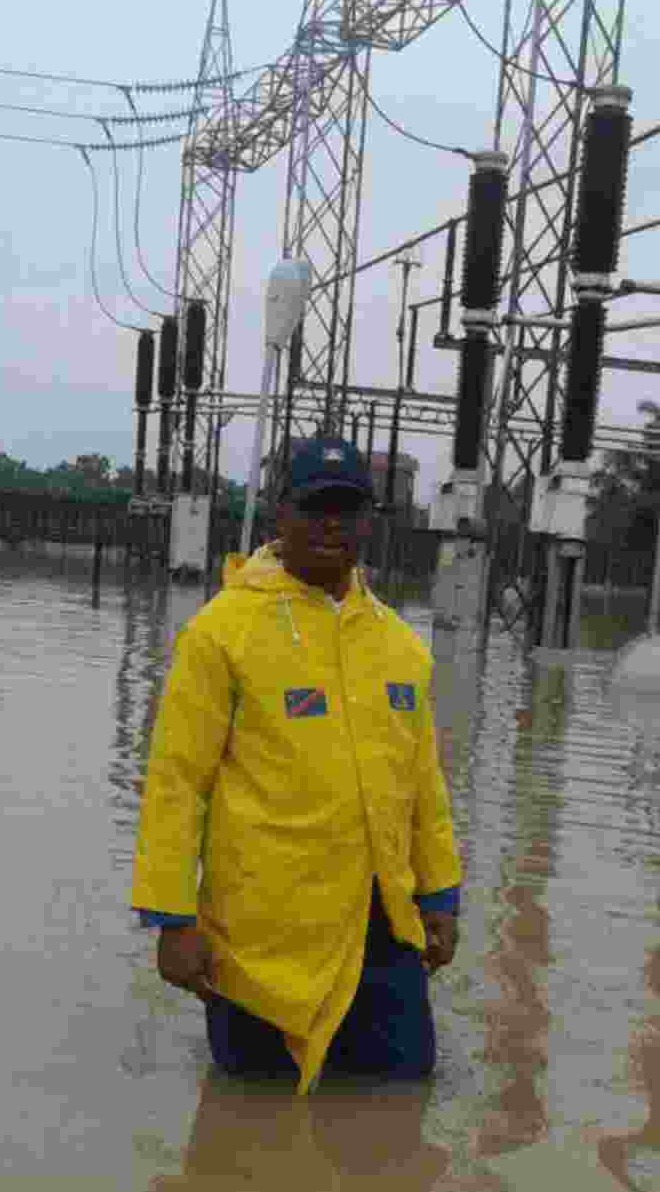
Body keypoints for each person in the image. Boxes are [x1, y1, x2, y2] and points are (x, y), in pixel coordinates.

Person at [131, 434, 462, 1094]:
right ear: (282, 514)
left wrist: (439, 896)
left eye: (348, 509)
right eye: (315, 508)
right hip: (258, 944)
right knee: (246, 1135)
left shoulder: (400, 647)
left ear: (370, 520)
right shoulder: (220, 633)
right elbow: (176, 784)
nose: (332, 525)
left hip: (382, 938)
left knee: (398, 1118)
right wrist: (173, 921)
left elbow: (424, 789)